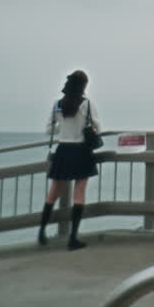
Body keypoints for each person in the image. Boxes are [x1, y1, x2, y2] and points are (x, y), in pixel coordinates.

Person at [38, 70, 101, 251]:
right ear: (83, 86)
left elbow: (49, 129)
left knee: (53, 192)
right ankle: (73, 239)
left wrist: (63, 131)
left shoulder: (57, 105)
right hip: (81, 150)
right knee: (79, 193)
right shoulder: (87, 105)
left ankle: (42, 231)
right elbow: (98, 126)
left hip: (63, 150)